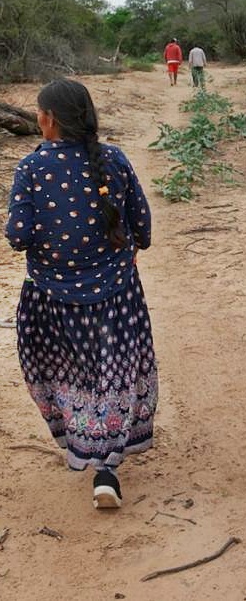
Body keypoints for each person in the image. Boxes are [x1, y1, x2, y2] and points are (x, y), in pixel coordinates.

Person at [4, 79, 157, 510]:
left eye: (39, 112)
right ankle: (107, 466)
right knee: (111, 372)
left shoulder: (32, 168)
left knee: (68, 373)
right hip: (117, 297)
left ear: (49, 120)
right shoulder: (114, 160)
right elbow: (143, 229)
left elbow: (17, 236)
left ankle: (84, 443)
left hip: (50, 301)